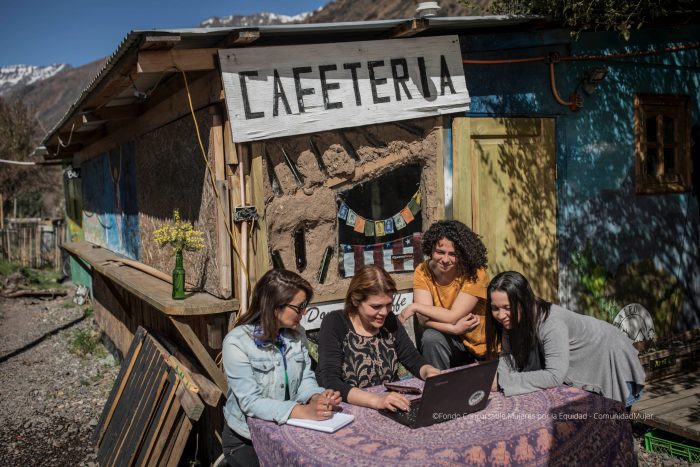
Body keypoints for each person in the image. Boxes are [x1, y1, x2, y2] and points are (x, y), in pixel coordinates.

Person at [222, 269, 342, 467]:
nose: (304, 313)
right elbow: (250, 402)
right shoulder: (237, 343)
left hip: (286, 432)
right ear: (275, 305)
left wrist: (317, 397)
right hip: (247, 440)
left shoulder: (295, 335)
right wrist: (304, 412)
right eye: (299, 307)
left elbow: (305, 378)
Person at [485, 271, 645, 407]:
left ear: (524, 301)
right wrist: (498, 376)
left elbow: (554, 375)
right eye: (495, 308)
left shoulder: (551, 323)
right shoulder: (512, 320)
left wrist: (503, 382)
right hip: (586, 359)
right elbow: (507, 354)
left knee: (616, 421)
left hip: (609, 355)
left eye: (507, 307)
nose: (500, 315)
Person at [317, 265, 440, 411]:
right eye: (376, 306)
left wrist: (429, 371)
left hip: (392, 403)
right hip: (352, 408)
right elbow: (330, 381)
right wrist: (376, 401)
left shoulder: (390, 321)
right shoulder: (335, 323)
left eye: (388, 305)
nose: (384, 312)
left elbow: (412, 359)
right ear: (355, 301)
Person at [398, 220, 489, 370]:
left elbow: (453, 316)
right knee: (430, 338)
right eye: (440, 252)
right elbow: (423, 319)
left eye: (453, 254)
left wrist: (415, 306)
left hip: (479, 344)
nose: (445, 260)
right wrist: (453, 329)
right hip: (449, 340)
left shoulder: (475, 272)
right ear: (431, 248)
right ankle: (438, 386)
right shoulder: (422, 271)